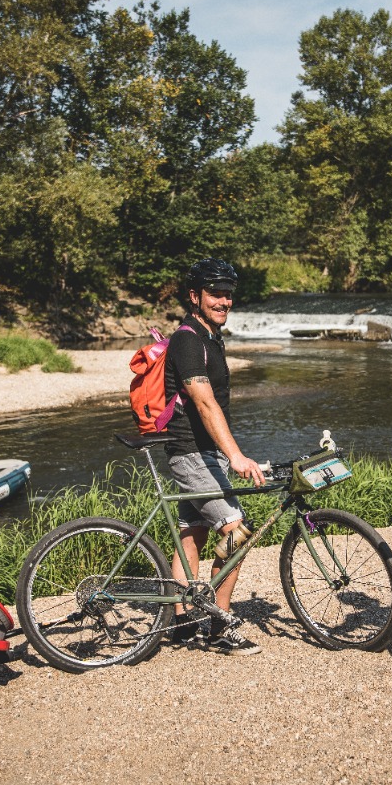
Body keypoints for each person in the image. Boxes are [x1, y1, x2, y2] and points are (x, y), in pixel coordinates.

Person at [162, 257, 264, 656]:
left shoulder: (210, 336)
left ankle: (183, 619)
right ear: (195, 296)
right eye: (215, 294)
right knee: (236, 534)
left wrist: (226, 455)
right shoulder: (188, 340)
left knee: (192, 533)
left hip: (205, 453)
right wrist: (236, 455)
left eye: (228, 294)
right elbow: (204, 403)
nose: (224, 301)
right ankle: (220, 627)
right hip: (192, 452)